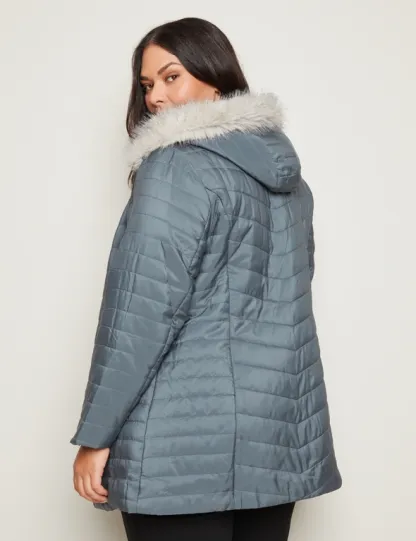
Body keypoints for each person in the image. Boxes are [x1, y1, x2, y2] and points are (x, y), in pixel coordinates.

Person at [70, 16, 342, 541]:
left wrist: (96, 434)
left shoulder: (175, 167)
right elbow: (292, 290)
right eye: (147, 84)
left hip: (181, 442)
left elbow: (140, 312)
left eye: (171, 77)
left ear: (215, 78)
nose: (155, 97)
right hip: (275, 433)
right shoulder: (289, 179)